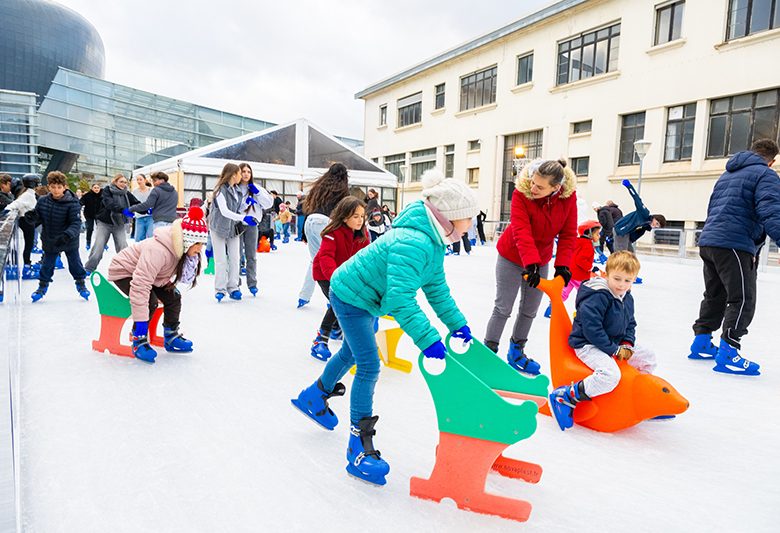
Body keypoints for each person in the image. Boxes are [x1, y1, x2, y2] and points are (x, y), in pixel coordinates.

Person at [292, 168, 478, 486]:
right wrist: (430, 341)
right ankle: (358, 447)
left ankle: (314, 396)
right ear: (451, 217)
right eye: (469, 218)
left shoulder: (431, 243)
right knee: (368, 364)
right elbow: (401, 299)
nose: (472, 225)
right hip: (351, 296)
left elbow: (437, 291)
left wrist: (457, 325)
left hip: (365, 297)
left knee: (352, 353)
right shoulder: (415, 242)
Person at [688, 139, 780, 376]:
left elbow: (713, 208)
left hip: (709, 241)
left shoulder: (727, 174)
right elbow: (770, 210)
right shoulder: (765, 175)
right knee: (742, 298)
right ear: (772, 160)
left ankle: (702, 342)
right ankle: (729, 352)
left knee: (715, 294)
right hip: (734, 244)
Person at [484, 159, 577, 374]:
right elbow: (521, 230)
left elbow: (568, 233)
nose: (533, 188)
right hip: (511, 255)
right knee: (503, 308)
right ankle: (488, 354)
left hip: (541, 258)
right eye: (533, 182)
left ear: (556, 188)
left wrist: (562, 265)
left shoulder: (567, 198)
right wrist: (530, 262)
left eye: (540, 186)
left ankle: (516, 352)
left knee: (529, 310)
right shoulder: (522, 193)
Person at [550, 251, 656, 430]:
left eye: (628, 281)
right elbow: (592, 329)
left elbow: (630, 324)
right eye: (617, 279)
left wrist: (627, 344)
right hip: (587, 344)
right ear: (606, 275)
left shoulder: (627, 297)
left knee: (648, 357)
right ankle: (566, 396)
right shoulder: (597, 296)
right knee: (610, 375)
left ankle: (640, 397)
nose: (622, 285)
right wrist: (614, 349)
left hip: (613, 342)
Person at [108, 205, 208, 363]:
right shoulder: (158, 251)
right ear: (187, 241)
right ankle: (138, 339)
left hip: (153, 275)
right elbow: (140, 285)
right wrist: (140, 324)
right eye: (197, 244)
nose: (200, 249)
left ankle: (171, 335)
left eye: (202, 244)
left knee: (174, 297)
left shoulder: (180, 250)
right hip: (125, 271)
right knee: (150, 301)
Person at [309, 196, 369, 361]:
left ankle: (336, 329)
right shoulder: (332, 233)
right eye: (355, 216)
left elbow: (365, 260)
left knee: (344, 302)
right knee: (340, 301)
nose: (360, 220)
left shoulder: (363, 236)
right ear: (344, 217)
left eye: (362, 216)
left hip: (346, 277)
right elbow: (326, 257)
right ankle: (320, 339)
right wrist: (335, 278)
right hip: (325, 274)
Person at [24, 172, 90, 302]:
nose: (56, 190)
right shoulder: (43, 201)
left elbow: (76, 223)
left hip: (69, 239)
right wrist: (32, 217)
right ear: (49, 187)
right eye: (53, 187)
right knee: (47, 265)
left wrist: (67, 235)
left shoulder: (72, 202)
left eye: (59, 187)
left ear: (64, 187)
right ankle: (42, 287)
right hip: (51, 238)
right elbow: (39, 217)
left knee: (75, 264)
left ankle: (81, 285)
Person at [297, 163, 351, 308]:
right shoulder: (343, 191)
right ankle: (333, 298)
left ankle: (304, 296)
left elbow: (309, 209)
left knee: (315, 261)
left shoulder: (318, 188)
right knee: (333, 261)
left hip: (310, 222)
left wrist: (304, 233)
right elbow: (342, 213)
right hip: (326, 223)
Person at [208, 163, 257, 302]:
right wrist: (244, 218)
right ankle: (220, 289)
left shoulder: (237, 190)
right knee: (221, 260)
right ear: (233, 174)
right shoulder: (219, 190)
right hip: (218, 227)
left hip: (233, 229)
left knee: (235, 258)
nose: (242, 176)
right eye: (240, 173)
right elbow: (225, 211)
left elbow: (236, 209)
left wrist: (246, 203)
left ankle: (233, 287)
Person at [543, 220, 602, 318]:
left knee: (563, 293)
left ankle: (551, 309)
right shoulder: (587, 244)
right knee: (585, 294)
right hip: (579, 275)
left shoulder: (576, 241)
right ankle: (583, 313)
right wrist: (590, 267)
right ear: (589, 234)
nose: (599, 236)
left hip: (569, 273)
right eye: (597, 234)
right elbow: (581, 260)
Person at [84, 174, 138, 272]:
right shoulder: (107, 190)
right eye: (121, 182)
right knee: (99, 246)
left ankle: (127, 268)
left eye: (125, 182)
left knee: (123, 246)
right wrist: (123, 210)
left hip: (119, 223)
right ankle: (89, 268)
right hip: (104, 223)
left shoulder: (126, 193)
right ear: (115, 182)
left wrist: (146, 209)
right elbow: (109, 204)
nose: (123, 184)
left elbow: (136, 203)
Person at [237, 163, 273, 296]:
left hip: (252, 224)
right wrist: (245, 203)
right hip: (238, 224)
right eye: (243, 171)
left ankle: (252, 284)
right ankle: (235, 284)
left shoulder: (256, 187)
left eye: (248, 172)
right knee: (236, 255)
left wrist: (257, 193)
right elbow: (234, 207)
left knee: (251, 255)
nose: (246, 174)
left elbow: (268, 203)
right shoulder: (235, 188)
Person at [612, 181, 666, 253]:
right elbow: (637, 199)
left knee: (631, 254)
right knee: (622, 255)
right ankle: (616, 264)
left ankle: (628, 264)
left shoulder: (646, 225)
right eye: (656, 223)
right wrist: (629, 186)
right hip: (621, 229)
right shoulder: (644, 213)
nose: (655, 226)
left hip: (627, 233)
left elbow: (636, 233)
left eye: (657, 226)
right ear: (654, 218)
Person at [4, 174, 39, 277]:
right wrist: (6, 210)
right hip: (27, 221)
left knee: (29, 244)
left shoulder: (27, 192)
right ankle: (26, 268)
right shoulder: (27, 194)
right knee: (29, 245)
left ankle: (27, 265)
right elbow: (17, 203)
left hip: (27, 220)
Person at [132, 174, 154, 242]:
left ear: (145, 180)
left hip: (150, 217)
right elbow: (133, 203)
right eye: (137, 180)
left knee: (151, 237)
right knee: (138, 239)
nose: (139, 181)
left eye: (140, 179)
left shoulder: (151, 190)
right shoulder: (135, 191)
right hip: (139, 217)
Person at [80, 182, 102, 250]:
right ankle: (88, 242)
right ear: (92, 188)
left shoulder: (103, 195)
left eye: (98, 188)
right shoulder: (87, 195)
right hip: (89, 214)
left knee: (101, 229)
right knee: (90, 228)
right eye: (95, 188)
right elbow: (81, 202)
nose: (96, 189)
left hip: (99, 215)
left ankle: (103, 242)